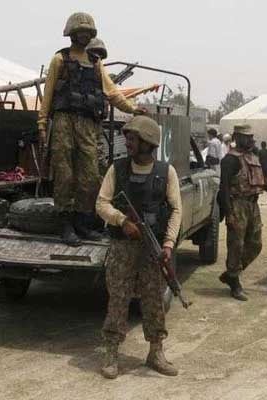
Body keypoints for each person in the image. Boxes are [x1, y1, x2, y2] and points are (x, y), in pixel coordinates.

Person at [38, 12, 145, 245]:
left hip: (88, 125)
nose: (84, 35)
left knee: (89, 177)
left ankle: (82, 223)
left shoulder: (97, 64)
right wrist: (42, 125)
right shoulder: (59, 60)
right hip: (64, 122)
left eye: (88, 32)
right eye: (81, 32)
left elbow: (112, 93)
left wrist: (133, 108)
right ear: (72, 34)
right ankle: (66, 225)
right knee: (64, 175)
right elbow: (47, 97)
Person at [96, 115, 182, 379]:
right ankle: (111, 353)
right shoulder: (117, 168)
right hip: (122, 247)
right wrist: (122, 221)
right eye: (128, 138)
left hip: (152, 249)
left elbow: (177, 209)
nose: (128, 143)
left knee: (154, 299)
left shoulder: (166, 171)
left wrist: (167, 244)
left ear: (148, 142)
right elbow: (101, 203)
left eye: (133, 139)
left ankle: (156, 352)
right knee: (118, 299)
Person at [218, 125, 267, 301]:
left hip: (253, 206)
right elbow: (224, 188)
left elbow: (264, 183)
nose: (251, 140)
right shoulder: (230, 160)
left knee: (255, 244)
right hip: (237, 205)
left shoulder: (253, 157)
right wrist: (229, 213)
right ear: (237, 137)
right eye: (247, 137)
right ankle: (235, 282)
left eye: (252, 137)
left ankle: (231, 274)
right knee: (236, 245)